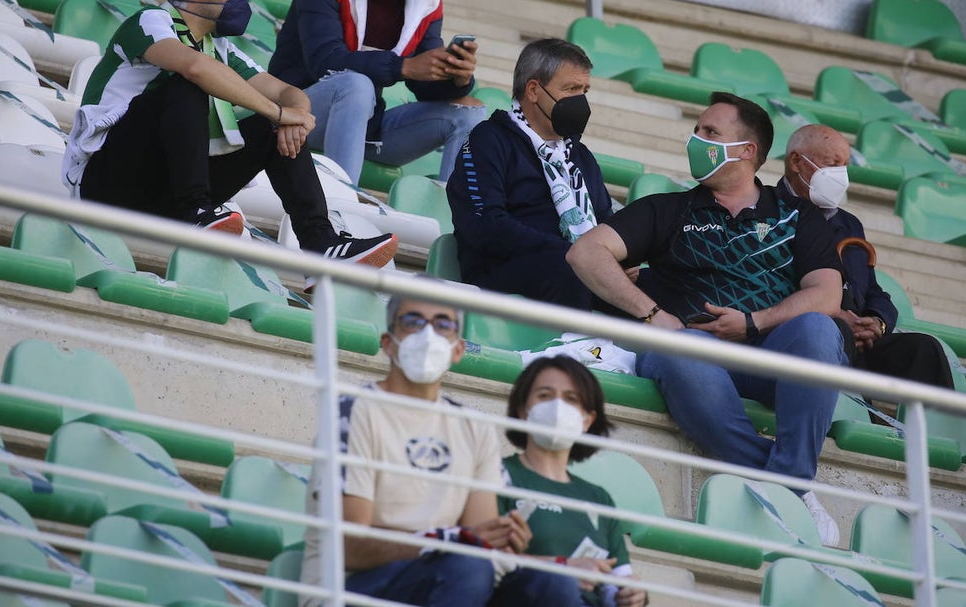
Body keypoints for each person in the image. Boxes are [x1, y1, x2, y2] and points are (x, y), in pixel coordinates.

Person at [566, 92, 847, 546]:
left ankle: (785, 484)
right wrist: (652, 313)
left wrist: (753, 321)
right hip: (696, 351)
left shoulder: (798, 216)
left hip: (771, 356)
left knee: (818, 328)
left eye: (710, 133)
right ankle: (790, 490)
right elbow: (586, 252)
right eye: (696, 130)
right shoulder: (669, 210)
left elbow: (827, 293)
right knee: (677, 353)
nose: (695, 140)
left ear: (748, 151)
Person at [62, 0, 398, 267]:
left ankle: (321, 243)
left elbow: (284, 91)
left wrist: (293, 115)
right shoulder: (151, 21)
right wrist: (277, 113)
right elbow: (194, 67)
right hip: (105, 185)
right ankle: (196, 211)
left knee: (269, 127)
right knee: (190, 84)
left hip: (162, 191)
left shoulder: (220, 48)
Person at [300, 291, 580, 607]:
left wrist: (503, 539)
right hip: (349, 590)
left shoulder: (473, 426)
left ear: (458, 349)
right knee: (466, 565)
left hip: (450, 579)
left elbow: (479, 537)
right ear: (388, 342)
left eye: (442, 325)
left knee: (553, 586)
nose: (427, 334)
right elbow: (350, 546)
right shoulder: (353, 411)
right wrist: (447, 542)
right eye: (413, 321)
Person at [269, 0, 485, 185]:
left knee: (470, 112)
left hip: (368, 123)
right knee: (356, 84)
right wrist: (404, 67)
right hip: (295, 113)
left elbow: (423, 86)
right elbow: (324, 60)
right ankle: (339, 211)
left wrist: (457, 77)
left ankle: (455, 224)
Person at [780, 124, 954, 388]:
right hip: (809, 332)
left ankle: (935, 429)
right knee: (836, 333)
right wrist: (835, 315)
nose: (840, 175)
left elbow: (872, 289)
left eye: (845, 166)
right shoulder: (769, 213)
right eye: (832, 164)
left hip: (859, 340)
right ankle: (863, 419)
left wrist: (876, 322)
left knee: (924, 349)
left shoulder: (849, 225)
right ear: (796, 161)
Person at [447, 38, 616, 310]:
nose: (581, 100)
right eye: (571, 89)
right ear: (534, 90)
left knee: (651, 286)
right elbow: (486, 226)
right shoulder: (488, 139)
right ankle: (582, 349)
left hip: (575, 268)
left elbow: (607, 222)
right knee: (569, 266)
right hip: (502, 274)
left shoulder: (580, 156)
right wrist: (574, 253)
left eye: (585, 90)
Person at [501, 356, 647, 607]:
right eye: (545, 395)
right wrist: (564, 567)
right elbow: (483, 561)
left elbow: (619, 580)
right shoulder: (497, 475)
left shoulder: (599, 498)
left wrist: (632, 596)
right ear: (522, 411)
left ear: (587, 420)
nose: (558, 407)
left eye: (571, 399)